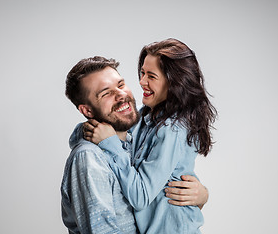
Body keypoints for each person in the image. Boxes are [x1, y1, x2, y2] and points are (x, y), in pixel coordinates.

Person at [61, 56, 209, 234]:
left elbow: (164, 204)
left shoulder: (134, 137)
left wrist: (201, 196)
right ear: (87, 111)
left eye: (121, 84)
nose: (121, 95)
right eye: (106, 93)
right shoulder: (89, 158)